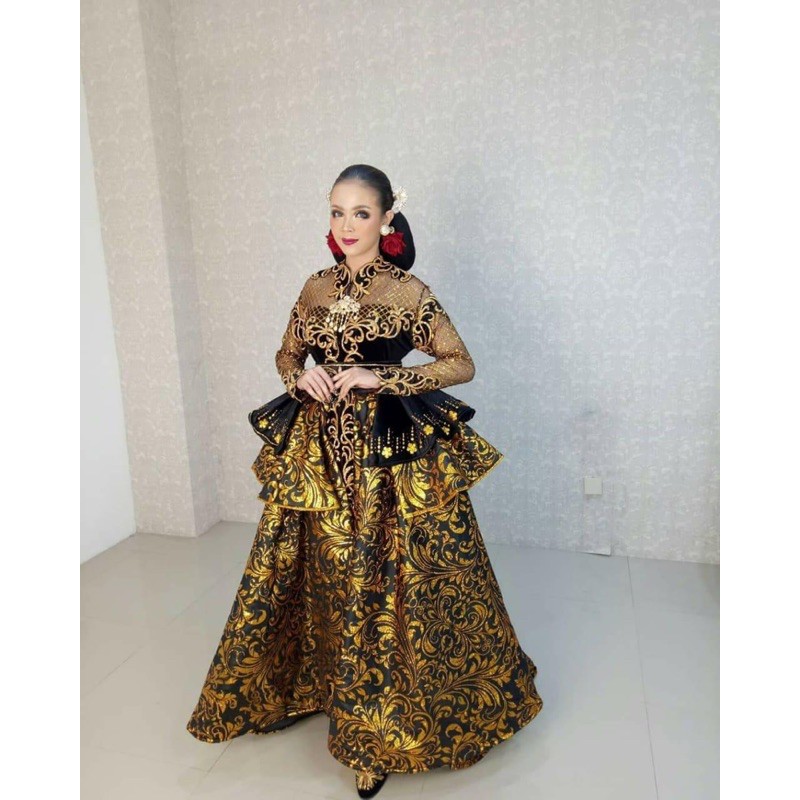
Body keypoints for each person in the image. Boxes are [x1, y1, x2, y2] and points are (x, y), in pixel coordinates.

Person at [185, 164, 543, 797]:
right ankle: (317, 685)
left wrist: (387, 378)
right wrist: (298, 376)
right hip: (321, 451)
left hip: (389, 454)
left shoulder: (407, 291)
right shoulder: (315, 287)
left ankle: (377, 734)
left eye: (360, 213)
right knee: (322, 567)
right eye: (336, 211)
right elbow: (287, 353)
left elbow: (460, 363)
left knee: (388, 580)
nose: (346, 226)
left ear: (386, 218)